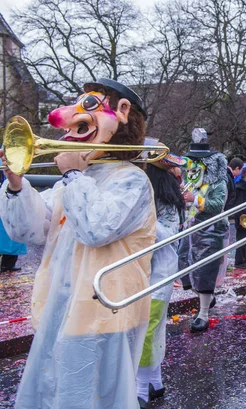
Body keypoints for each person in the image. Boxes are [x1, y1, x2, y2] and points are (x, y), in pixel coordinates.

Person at [1, 78, 155, 408]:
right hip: (62, 309)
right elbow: (30, 230)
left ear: (123, 114)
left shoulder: (132, 180)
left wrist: (72, 176)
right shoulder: (76, 183)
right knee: (55, 392)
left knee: (92, 399)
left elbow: (96, 228)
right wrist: (15, 185)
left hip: (104, 314)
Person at [136, 151, 186, 409]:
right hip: (146, 273)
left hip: (158, 274)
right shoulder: (159, 199)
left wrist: (143, 217)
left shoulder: (164, 203)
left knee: (148, 329)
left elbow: (167, 235)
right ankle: (154, 381)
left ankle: (141, 389)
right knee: (153, 329)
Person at [178, 128, 228, 333]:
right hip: (192, 231)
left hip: (211, 231)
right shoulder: (190, 181)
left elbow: (218, 205)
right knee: (186, 266)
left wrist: (196, 200)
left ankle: (204, 314)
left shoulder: (218, 183)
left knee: (205, 271)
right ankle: (206, 299)